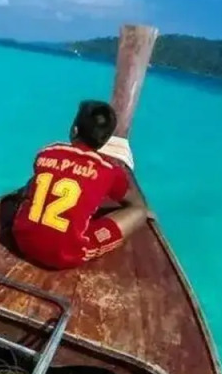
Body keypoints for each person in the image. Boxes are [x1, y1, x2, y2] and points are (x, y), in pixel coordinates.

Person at [11, 100, 150, 270]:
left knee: (34, 182)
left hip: (22, 240)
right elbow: (135, 203)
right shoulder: (109, 170)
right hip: (67, 254)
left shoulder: (47, 151)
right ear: (106, 140)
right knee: (139, 212)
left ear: (74, 130)